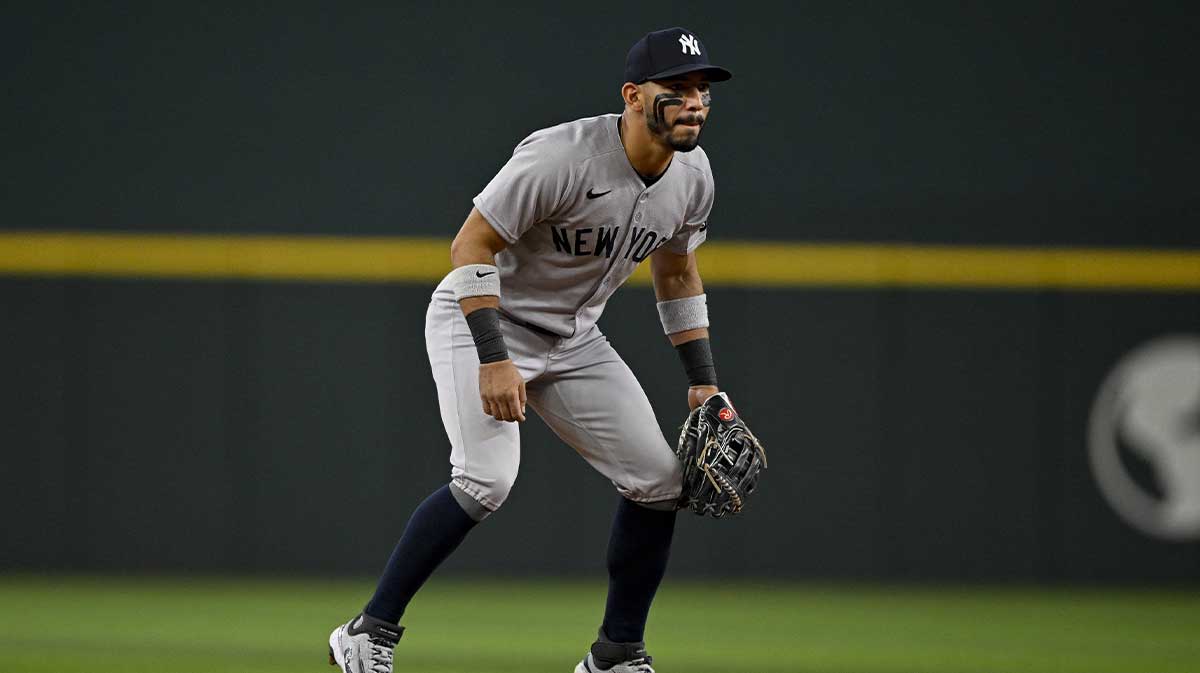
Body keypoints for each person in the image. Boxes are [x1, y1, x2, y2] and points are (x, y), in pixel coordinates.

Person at [328, 26, 732, 673]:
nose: (695, 103)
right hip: (482, 319)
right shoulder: (561, 156)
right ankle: (367, 630)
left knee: (659, 482)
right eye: (678, 89)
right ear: (632, 95)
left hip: (573, 337)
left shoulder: (694, 176)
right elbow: (471, 244)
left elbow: (678, 272)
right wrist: (492, 354)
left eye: (703, 90)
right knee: (486, 479)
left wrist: (702, 379)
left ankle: (615, 653)